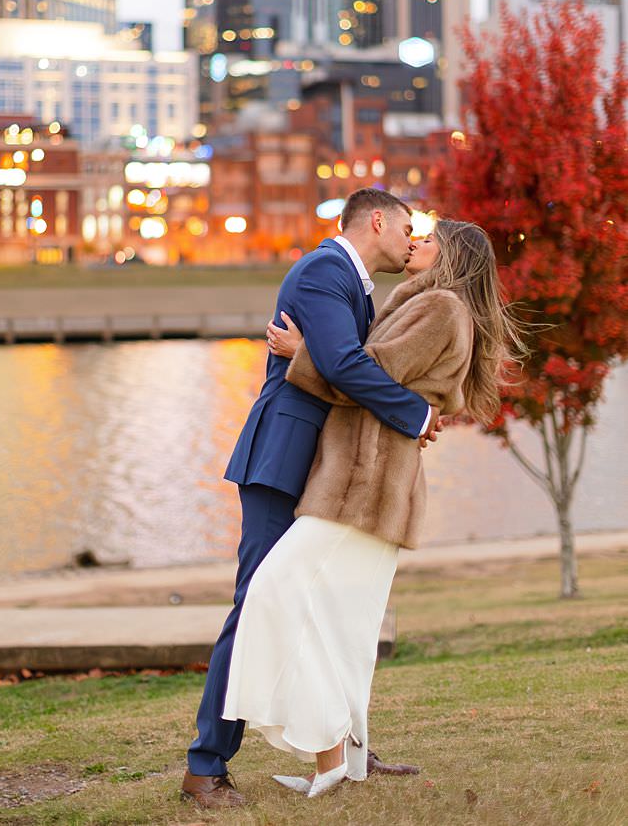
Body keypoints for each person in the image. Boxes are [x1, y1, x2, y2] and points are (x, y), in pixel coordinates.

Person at [223, 219, 521, 798]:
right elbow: (382, 378)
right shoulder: (426, 304)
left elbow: (366, 376)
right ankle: (341, 762)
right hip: (369, 482)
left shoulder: (440, 309)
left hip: (364, 485)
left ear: (450, 256)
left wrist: (302, 354)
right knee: (341, 626)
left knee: (274, 592)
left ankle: (329, 750)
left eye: (427, 239)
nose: (414, 243)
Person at [180, 188, 443, 811]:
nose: (411, 238)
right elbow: (348, 365)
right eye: (407, 226)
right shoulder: (324, 270)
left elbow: (339, 362)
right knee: (256, 604)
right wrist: (417, 413)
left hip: (316, 464)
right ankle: (204, 769)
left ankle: (347, 748)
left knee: (330, 607)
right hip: (282, 459)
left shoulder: (358, 287)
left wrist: (308, 355)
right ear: (376, 220)